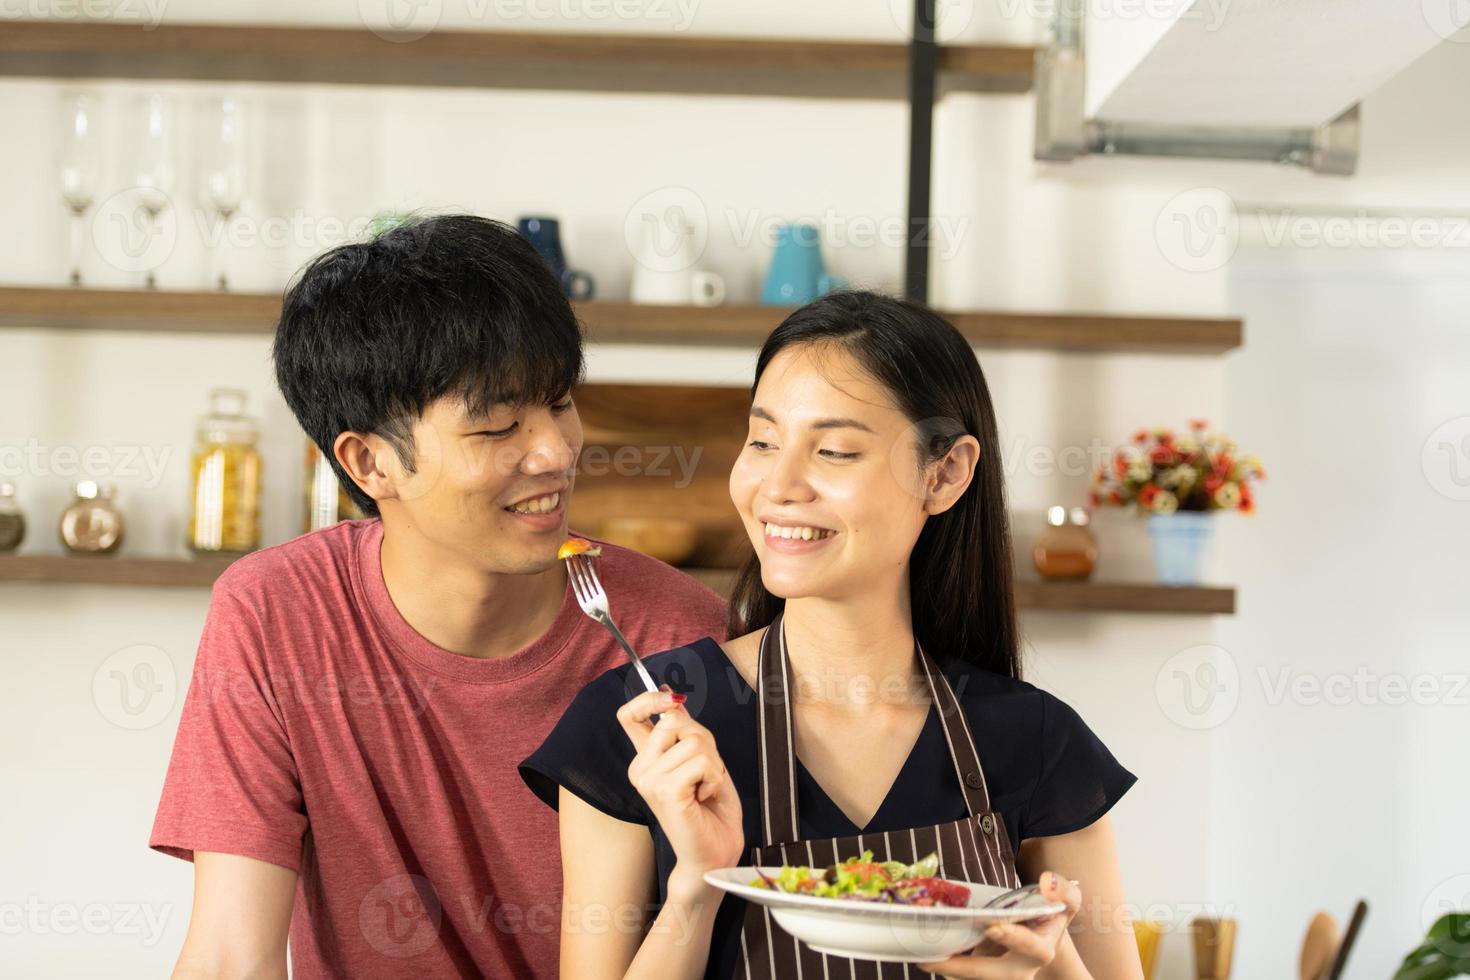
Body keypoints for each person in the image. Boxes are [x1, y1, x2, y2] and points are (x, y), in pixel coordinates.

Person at [149, 214, 728, 979]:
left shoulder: (676, 631)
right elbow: (231, 954)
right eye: (497, 428)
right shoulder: (275, 614)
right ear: (370, 463)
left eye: (559, 403)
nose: (555, 452)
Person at [521, 290, 1142, 979]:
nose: (778, 485)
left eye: (836, 450)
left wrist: (1049, 969)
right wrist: (696, 885)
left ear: (945, 474)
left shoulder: (1037, 743)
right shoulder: (639, 735)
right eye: (762, 440)